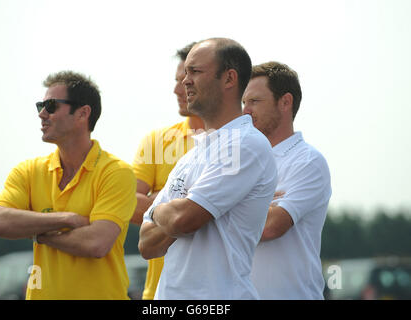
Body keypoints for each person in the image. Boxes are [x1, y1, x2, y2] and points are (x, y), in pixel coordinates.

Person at [138, 38, 277, 299]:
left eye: (195, 72)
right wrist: (173, 211)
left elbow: (183, 220)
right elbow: (146, 244)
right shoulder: (192, 155)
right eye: (185, 73)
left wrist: (155, 208)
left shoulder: (246, 144)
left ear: (229, 78)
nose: (185, 82)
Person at [0, 71, 136, 300]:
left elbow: (96, 243)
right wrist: (67, 219)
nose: (42, 114)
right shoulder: (28, 171)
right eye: (40, 106)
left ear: (83, 113)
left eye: (51, 105)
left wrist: (38, 234)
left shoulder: (116, 172)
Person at [242, 62, 332, 299]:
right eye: (243, 102)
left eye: (254, 101)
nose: (245, 111)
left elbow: (270, 227)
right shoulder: (242, 162)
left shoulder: (308, 161)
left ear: (285, 102)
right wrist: (258, 203)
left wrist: (222, 206)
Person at [131, 43, 205, 300]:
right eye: (177, 80)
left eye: (186, 80)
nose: (177, 89)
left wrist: (161, 201)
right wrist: (199, 203)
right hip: (161, 293)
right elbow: (128, 204)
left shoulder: (246, 143)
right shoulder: (156, 141)